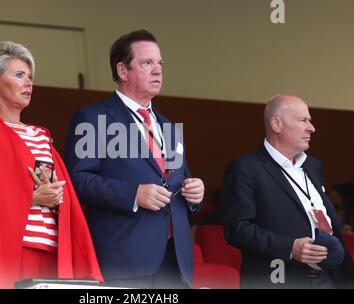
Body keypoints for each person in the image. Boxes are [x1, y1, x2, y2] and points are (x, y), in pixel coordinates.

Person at [0, 41, 102, 288]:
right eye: (19, 75)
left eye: (30, 76)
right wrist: (29, 198)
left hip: (53, 251)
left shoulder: (42, 135)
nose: (28, 82)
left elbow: (65, 198)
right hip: (11, 252)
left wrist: (55, 197)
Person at [64, 30, 205, 288]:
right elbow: (78, 180)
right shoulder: (94, 119)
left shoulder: (168, 126)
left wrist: (194, 193)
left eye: (160, 63)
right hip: (125, 259)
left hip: (175, 262)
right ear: (122, 70)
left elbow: (178, 182)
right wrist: (134, 194)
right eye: (147, 63)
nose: (157, 70)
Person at [222, 94, 354, 288]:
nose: (312, 127)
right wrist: (290, 248)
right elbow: (237, 230)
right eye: (303, 120)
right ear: (276, 124)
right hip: (280, 279)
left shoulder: (313, 165)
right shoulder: (245, 168)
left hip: (328, 278)